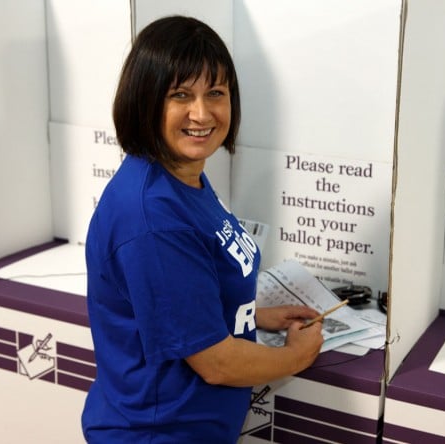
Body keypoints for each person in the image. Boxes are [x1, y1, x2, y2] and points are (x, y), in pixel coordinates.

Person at [81, 15, 324, 443]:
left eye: (215, 92)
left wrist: (250, 314)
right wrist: (295, 357)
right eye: (180, 95)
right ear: (146, 100)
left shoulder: (183, 175)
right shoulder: (153, 218)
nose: (201, 113)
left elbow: (181, 300)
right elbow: (217, 363)